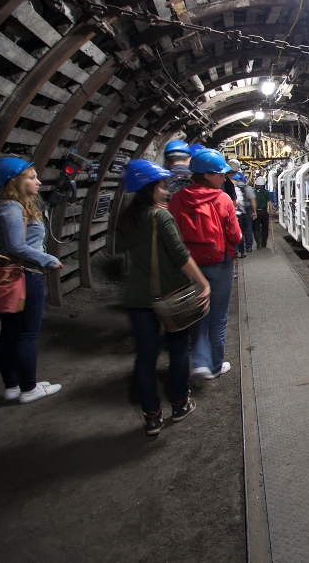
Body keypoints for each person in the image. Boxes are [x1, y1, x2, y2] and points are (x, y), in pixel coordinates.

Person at [119, 159, 210, 436]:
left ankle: (152, 417)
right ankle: (180, 404)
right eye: (161, 185)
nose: (166, 190)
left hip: (137, 299)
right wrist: (203, 282)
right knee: (178, 349)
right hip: (171, 293)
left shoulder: (128, 218)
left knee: (145, 358)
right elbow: (180, 256)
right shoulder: (161, 217)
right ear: (149, 188)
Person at [0, 156, 62, 404]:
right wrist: (48, 260)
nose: (38, 181)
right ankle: (29, 388)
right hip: (24, 276)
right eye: (31, 177)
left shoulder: (11, 206)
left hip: (15, 276)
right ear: (15, 182)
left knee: (10, 332)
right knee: (26, 335)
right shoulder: (12, 208)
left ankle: (13, 386)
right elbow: (16, 246)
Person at [168, 149, 242, 380]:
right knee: (218, 316)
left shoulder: (177, 199)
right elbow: (235, 235)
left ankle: (200, 361)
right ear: (207, 175)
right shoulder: (223, 199)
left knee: (198, 312)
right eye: (220, 174)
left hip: (189, 265)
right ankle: (215, 366)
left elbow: (173, 233)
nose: (223, 178)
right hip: (219, 263)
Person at [252, 176, 275, 250]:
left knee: (256, 228)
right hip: (264, 212)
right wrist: (271, 210)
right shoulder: (266, 192)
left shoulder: (253, 192)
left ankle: (258, 241)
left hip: (256, 212)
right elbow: (270, 202)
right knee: (265, 228)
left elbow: (252, 202)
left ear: (256, 184)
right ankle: (264, 243)